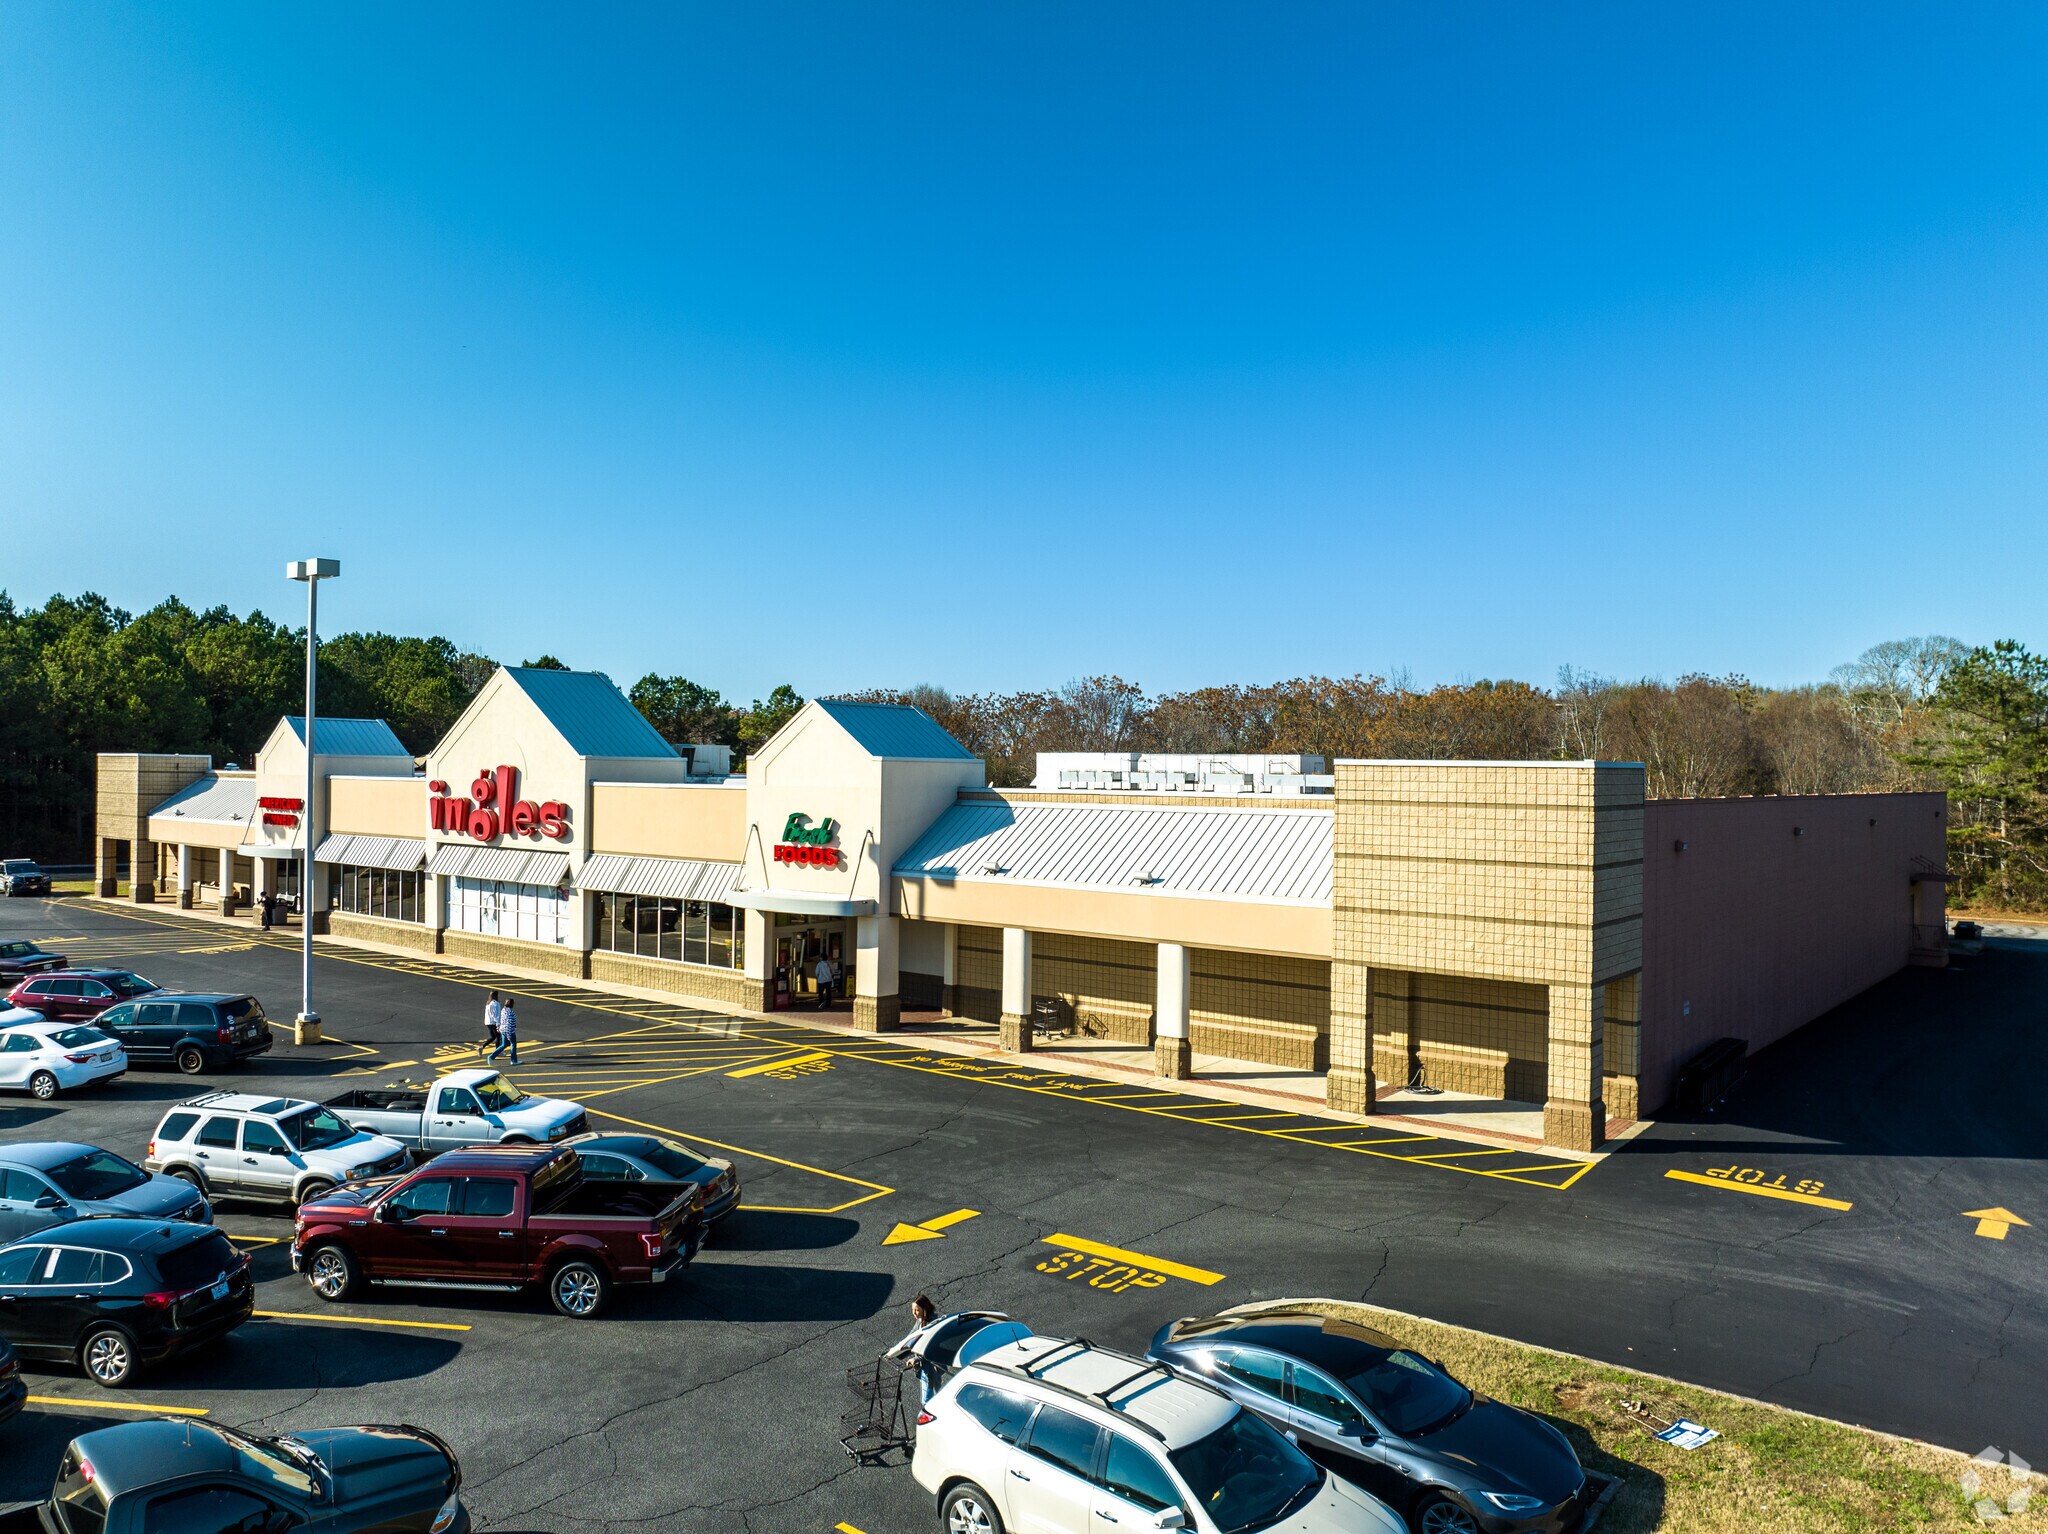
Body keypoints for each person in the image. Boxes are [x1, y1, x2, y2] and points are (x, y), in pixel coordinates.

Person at [886, 1294, 942, 1402]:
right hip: (924, 1368)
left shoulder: (931, 1326)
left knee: (927, 1400)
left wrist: (915, 1359)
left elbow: (930, 1351)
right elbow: (910, 1338)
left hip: (931, 1368)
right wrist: (894, 1351)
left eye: (916, 1310)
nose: (914, 1313)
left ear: (924, 1309)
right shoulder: (921, 1321)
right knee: (932, 1396)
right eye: (913, 1310)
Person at [488, 997, 519, 1064]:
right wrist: (509, 1034)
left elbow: (500, 1019)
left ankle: (491, 1056)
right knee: (513, 1044)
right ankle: (514, 1060)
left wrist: (498, 1027)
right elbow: (509, 1023)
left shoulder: (503, 1010)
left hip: (503, 1030)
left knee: (503, 1045)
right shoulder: (510, 1012)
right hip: (509, 1031)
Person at [478, 991, 503, 1057]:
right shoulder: (496, 1004)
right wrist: (498, 1024)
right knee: (498, 1037)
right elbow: (496, 1015)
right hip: (493, 1022)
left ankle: (482, 1047)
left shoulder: (488, 1003)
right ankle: (498, 1051)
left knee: (493, 1037)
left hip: (488, 1022)